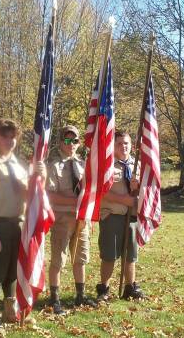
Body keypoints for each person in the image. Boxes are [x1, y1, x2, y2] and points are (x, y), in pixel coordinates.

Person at [0, 119, 46, 330]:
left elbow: (29, 194)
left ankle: (10, 307)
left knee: (13, 269)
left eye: (13, 137)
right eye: (5, 136)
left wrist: (38, 177)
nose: (10, 141)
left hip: (18, 225)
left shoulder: (19, 165)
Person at [45, 125, 97, 314]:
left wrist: (86, 210)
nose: (71, 144)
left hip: (81, 219)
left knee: (81, 257)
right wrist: (76, 201)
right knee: (58, 259)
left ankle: (80, 295)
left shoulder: (83, 165)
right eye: (67, 140)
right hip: (62, 218)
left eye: (75, 141)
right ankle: (54, 298)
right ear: (60, 142)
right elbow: (49, 195)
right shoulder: (53, 165)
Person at [95, 130, 145, 302]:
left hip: (131, 217)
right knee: (109, 254)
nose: (123, 147)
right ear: (112, 146)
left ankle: (130, 287)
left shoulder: (136, 165)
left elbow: (143, 192)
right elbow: (100, 192)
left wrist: (136, 188)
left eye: (126, 143)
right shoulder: (107, 166)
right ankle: (104, 289)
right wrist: (123, 200)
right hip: (112, 215)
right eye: (119, 143)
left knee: (130, 255)